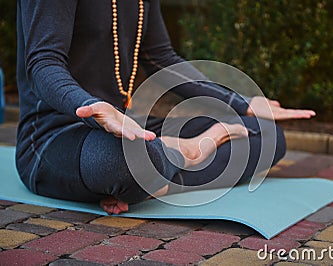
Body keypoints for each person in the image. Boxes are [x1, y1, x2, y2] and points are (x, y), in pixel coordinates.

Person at [16, 0, 315, 215]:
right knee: (120, 163)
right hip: (55, 136)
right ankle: (179, 153)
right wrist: (91, 106)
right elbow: (43, 62)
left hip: (127, 128)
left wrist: (243, 104)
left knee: (268, 136)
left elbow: (161, 58)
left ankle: (155, 171)